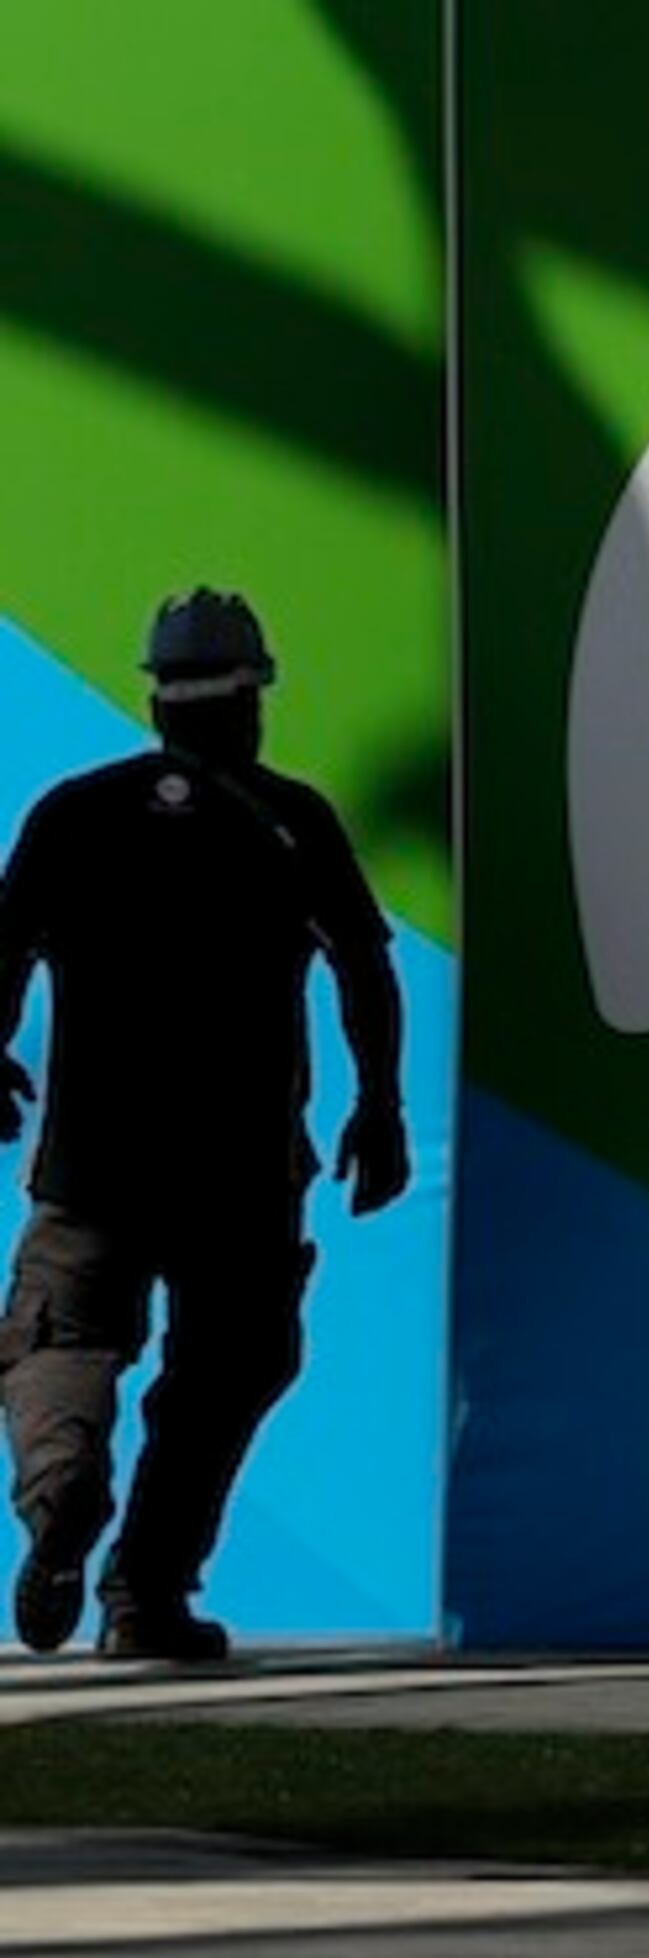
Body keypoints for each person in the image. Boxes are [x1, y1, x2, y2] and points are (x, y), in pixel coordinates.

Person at [0, 589, 408, 1661]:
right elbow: (365, 966)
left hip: (90, 1167)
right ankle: (144, 1595)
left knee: (62, 1340)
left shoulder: (70, 816)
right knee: (228, 1371)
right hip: (240, 1172)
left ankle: (59, 1494)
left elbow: (0, 955)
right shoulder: (289, 822)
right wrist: (381, 1107)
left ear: (157, 698)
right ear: (251, 701)